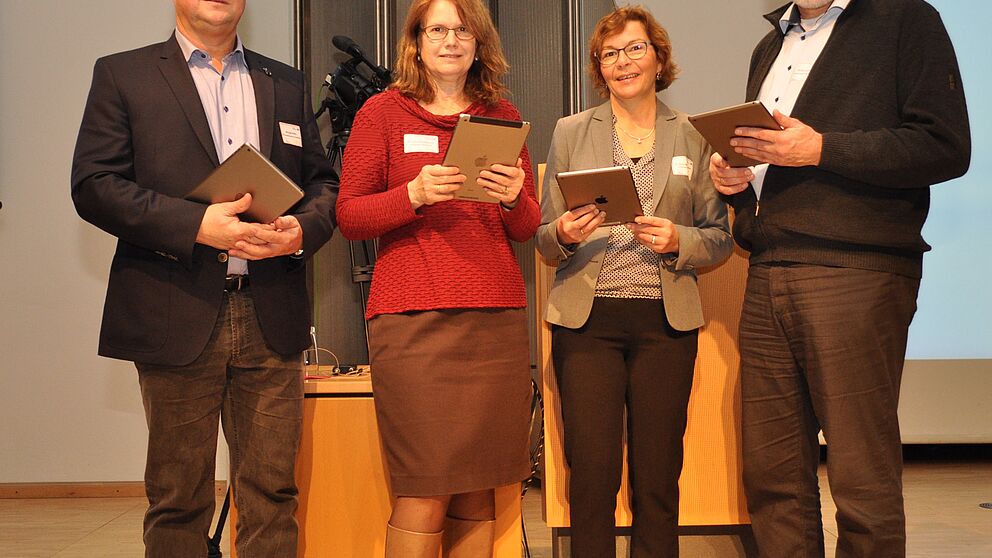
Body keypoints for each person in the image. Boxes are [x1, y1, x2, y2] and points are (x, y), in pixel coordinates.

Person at [70, 1, 338, 555]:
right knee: (179, 499)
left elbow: (322, 187)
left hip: (272, 312)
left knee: (272, 494)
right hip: (173, 308)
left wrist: (299, 232)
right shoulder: (124, 74)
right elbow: (95, 184)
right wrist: (196, 225)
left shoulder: (283, 81)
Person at [708, 1, 970, 556]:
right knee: (773, 479)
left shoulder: (905, 18)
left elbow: (945, 145)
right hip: (768, 265)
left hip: (855, 269)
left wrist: (821, 147)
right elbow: (772, 162)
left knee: (860, 478)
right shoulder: (768, 46)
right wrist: (738, 178)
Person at [335, 0, 539, 556]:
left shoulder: (502, 114)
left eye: (463, 30)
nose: (451, 40)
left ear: (479, 43)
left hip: (492, 320)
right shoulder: (382, 113)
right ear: (417, 41)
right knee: (423, 488)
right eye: (438, 30)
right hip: (412, 320)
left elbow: (527, 228)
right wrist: (413, 196)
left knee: (478, 486)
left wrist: (515, 196)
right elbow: (349, 217)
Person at [536, 6, 733, 557]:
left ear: (658, 57)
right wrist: (568, 234)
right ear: (599, 67)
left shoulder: (692, 134)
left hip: (665, 326)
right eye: (610, 53)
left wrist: (680, 241)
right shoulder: (572, 131)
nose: (623, 62)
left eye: (635, 48)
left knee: (657, 475)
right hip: (588, 323)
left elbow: (718, 236)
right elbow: (544, 236)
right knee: (593, 475)